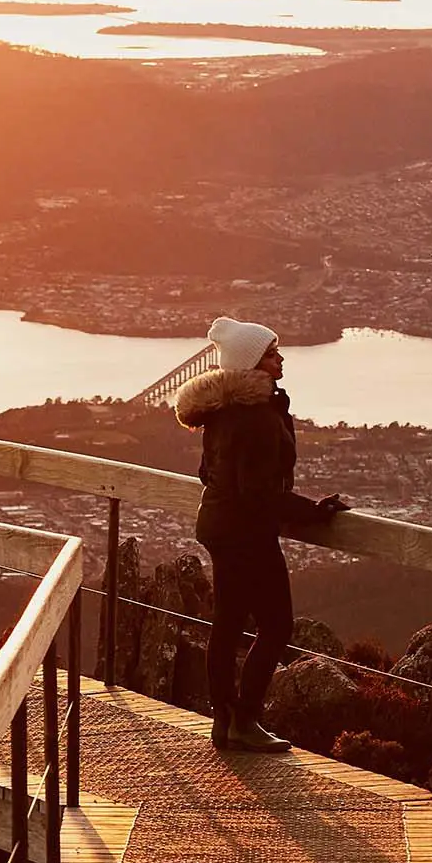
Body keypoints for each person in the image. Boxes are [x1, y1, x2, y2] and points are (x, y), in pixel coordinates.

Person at [173, 316, 346, 753]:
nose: (280, 357)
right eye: (272, 352)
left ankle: (225, 723)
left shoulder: (223, 411)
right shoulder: (255, 418)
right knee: (276, 626)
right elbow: (260, 495)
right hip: (246, 535)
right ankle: (245, 721)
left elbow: (207, 473)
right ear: (253, 364)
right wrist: (315, 512)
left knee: (227, 627)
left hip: (218, 526)